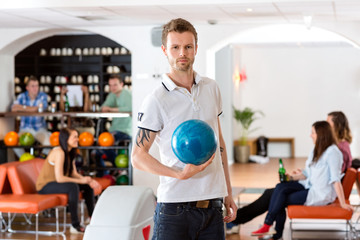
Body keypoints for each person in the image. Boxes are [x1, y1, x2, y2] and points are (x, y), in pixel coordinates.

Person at [131, 18, 237, 240]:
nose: (182, 53)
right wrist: (179, 173)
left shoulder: (211, 88)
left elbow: (220, 143)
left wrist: (227, 191)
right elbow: (138, 157)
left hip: (213, 206)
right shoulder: (156, 99)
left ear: (196, 48)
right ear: (164, 50)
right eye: (175, 47)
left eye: (188, 46)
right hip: (174, 210)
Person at [227, 111, 353, 235]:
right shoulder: (320, 148)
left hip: (319, 191)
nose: (311, 135)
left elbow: (335, 178)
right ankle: (269, 229)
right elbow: (313, 172)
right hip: (310, 184)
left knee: (277, 195)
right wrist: (292, 177)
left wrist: (342, 202)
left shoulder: (337, 150)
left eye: (327, 123)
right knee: (277, 189)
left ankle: (266, 225)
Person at [36, 128, 99, 233]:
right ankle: (75, 225)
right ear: (66, 139)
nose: (77, 139)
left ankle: (92, 218)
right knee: (73, 187)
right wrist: (82, 181)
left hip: (57, 183)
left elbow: (73, 174)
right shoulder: (59, 152)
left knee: (87, 187)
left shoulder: (70, 152)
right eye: (74, 137)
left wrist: (87, 180)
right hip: (45, 186)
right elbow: (60, 178)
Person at [94, 74, 132, 175]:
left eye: (115, 85)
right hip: (114, 130)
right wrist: (106, 108)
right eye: (110, 85)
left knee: (105, 144)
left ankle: (119, 167)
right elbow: (102, 108)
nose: (112, 88)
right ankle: (103, 174)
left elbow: (131, 109)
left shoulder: (127, 94)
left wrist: (111, 109)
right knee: (96, 151)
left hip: (126, 130)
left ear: (122, 84)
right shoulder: (112, 95)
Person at [11, 75, 51, 157]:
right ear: (27, 87)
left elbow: (42, 108)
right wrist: (32, 108)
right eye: (33, 86)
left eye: (37, 85)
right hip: (25, 129)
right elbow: (13, 108)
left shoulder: (43, 96)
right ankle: (26, 160)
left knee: (50, 142)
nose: (35, 88)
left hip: (40, 129)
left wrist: (22, 108)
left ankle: (40, 160)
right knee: (13, 142)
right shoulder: (22, 96)